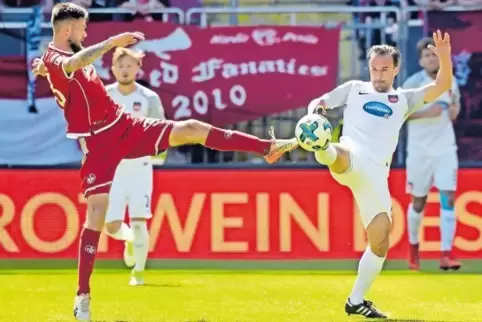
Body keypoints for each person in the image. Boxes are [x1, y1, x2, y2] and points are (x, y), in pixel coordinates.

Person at [32, 3, 297, 320]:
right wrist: (111, 43)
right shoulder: (59, 57)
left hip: (125, 126)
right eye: (83, 28)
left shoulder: (54, 61)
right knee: (98, 217)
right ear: (67, 30)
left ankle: (266, 147)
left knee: (192, 128)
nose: (86, 33)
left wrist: (46, 71)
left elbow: (68, 69)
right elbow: (74, 62)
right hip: (98, 143)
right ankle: (82, 296)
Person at [306, 31, 453, 318]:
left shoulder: (405, 99)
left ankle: (356, 301)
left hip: (374, 177)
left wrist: (444, 57)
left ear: (396, 69)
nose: (378, 74)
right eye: (374, 68)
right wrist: (316, 115)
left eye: (385, 69)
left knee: (381, 240)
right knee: (343, 154)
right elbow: (319, 102)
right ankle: (323, 148)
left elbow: (442, 84)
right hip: (350, 156)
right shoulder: (354, 89)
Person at [103, 47, 164, 286]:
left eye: (130, 66)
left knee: (140, 221)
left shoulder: (149, 98)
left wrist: (157, 156)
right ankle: (127, 239)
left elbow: (161, 130)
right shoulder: (105, 95)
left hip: (140, 167)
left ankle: (138, 273)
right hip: (113, 169)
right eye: (121, 66)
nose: (125, 70)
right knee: (111, 226)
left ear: (138, 69)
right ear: (113, 69)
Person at [403, 37, 461, 272]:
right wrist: (429, 112)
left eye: (434, 54)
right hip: (419, 151)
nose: (431, 58)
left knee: (448, 196)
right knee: (419, 201)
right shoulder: (412, 84)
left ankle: (446, 254)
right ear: (420, 60)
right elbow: (401, 114)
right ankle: (413, 250)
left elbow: (454, 109)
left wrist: (453, 109)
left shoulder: (450, 81)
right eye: (426, 55)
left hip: (445, 148)